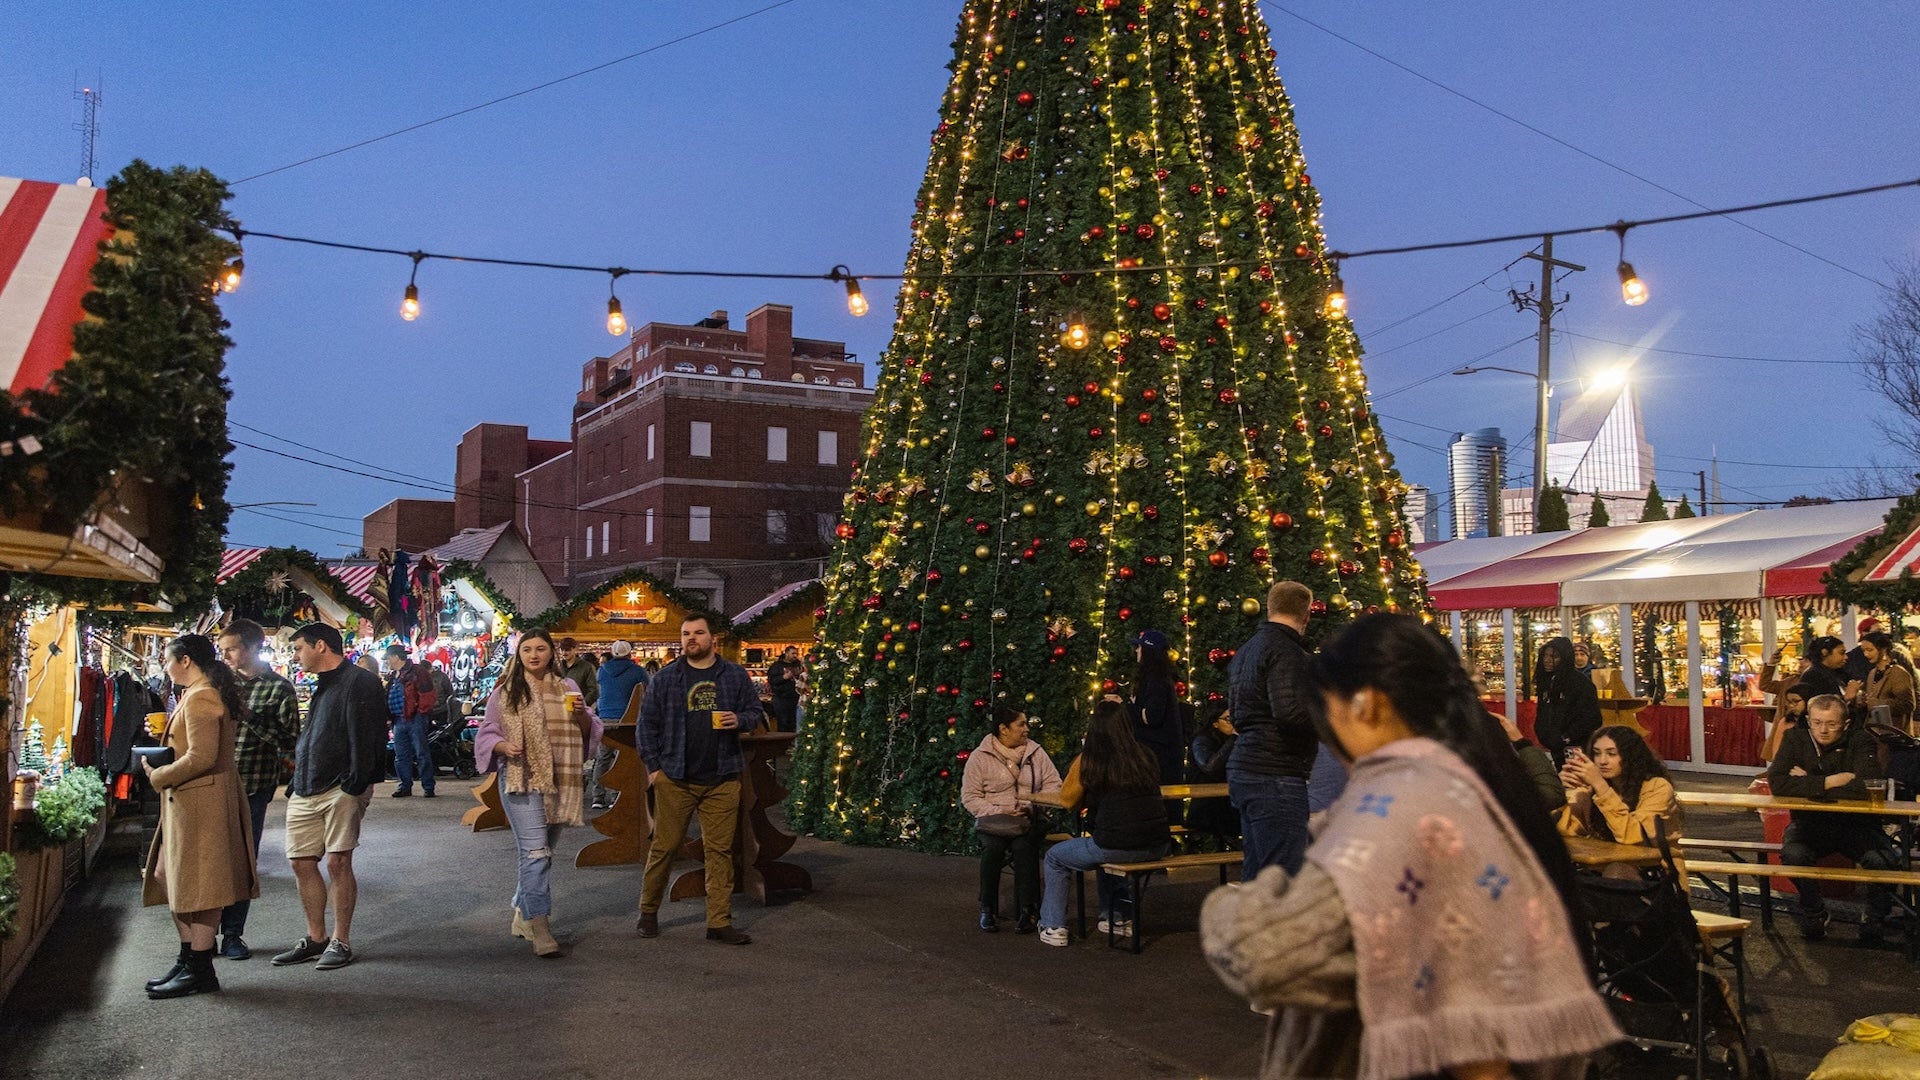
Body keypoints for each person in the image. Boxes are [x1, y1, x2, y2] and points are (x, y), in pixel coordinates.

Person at [1201, 615, 1620, 1079]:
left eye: (1327, 718)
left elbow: (1268, 955)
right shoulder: (1475, 780)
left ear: (1367, 706)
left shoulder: (1394, 802)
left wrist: (1244, 899)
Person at [139, 635, 261, 999]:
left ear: (186, 660)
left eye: (167, 659)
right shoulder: (198, 693)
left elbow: (202, 757)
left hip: (201, 800)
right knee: (168, 875)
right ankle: (191, 960)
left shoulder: (202, 695)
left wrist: (158, 775)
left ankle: (197, 966)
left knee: (203, 886)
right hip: (192, 800)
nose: (165, 666)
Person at [473, 628, 602, 957]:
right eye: (527, 649)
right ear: (519, 654)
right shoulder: (505, 692)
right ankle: (540, 926)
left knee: (543, 852)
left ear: (551, 654)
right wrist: (503, 745)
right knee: (535, 854)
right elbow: (487, 733)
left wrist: (579, 717)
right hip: (520, 777)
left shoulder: (569, 687)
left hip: (562, 778)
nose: (533, 654)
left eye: (540, 648)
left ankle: (522, 909)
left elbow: (589, 728)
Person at [636, 614, 764, 945]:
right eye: (686, 634)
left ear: (712, 639)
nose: (691, 638)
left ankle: (718, 922)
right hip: (675, 777)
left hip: (722, 777)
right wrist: (653, 769)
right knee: (665, 848)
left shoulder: (734, 675)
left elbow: (754, 713)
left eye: (698, 633)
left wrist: (740, 719)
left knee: (720, 851)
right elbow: (646, 725)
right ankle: (648, 913)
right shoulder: (665, 679)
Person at [272, 622, 388, 972]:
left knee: (338, 862)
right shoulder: (324, 684)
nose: (295, 656)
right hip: (307, 785)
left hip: (340, 786)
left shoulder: (360, 680)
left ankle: (341, 939)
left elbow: (370, 735)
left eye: (298, 648)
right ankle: (316, 936)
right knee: (301, 862)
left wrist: (356, 781)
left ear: (320, 645)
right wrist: (297, 780)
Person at [1766, 694, 1906, 943]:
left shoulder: (1861, 740)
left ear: (1846, 723)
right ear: (1808, 720)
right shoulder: (1795, 739)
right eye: (1817, 722)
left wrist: (1807, 781)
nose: (1823, 730)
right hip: (1810, 824)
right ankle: (1814, 912)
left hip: (1856, 824)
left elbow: (1868, 788)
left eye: (1831, 724)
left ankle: (1874, 917)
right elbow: (1777, 783)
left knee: (1883, 860)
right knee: (1793, 854)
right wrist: (1832, 780)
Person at [1035, 700, 1171, 946]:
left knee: (1056, 857)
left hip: (1116, 843)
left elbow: (1067, 800)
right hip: (1158, 844)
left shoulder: (1091, 759)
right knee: (1105, 848)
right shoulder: (1145, 755)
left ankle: (1053, 925)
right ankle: (1116, 917)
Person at [214, 619, 302, 961]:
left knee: (242, 860)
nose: (227, 656)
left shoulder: (279, 688)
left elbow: (289, 740)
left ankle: (233, 934)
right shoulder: (219, 684)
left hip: (253, 783)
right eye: (223, 650)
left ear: (252, 647)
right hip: (214, 782)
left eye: (232, 649)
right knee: (213, 859)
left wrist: (250, 716)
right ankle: (206, 933)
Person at [1226, 581, 1319, 880]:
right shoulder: (1288, 652)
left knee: (1257, 875)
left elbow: (1238, 716)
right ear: (1306, 615)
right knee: (1282, 876)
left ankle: (1247, 927)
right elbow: (1291, 714)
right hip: (1276, 772)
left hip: (1247, 767)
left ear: (1269, 608)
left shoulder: (1246, 651)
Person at [959, 706, 1062, 934]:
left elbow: (1054, 784)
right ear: (1003, 729)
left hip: (1027, 819)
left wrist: (1030, 805)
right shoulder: (979, 757)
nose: (1027, 729)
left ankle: (1028, 909)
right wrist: (999, 810)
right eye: (1021, 724)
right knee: (993, 850)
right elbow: (970, 797)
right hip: (993, 820)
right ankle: (988, 908)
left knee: (1024, 846)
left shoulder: (1036, 753)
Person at [1556, 725, 1679, 846]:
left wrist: (1601, 786)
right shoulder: (1590, 789)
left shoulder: (1657, 787)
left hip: (1650, 861)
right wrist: (1561, 791)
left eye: (1612, 754)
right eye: (1597, 753)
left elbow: (1633, 835)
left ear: (1631, 756)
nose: (1602, 761)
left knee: (1617, 867)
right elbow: (1565, 830)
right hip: (1603, 860)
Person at [1127, 629, 1187, 815]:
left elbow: (1151, 717)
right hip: (1158, 755)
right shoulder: (1156, 678)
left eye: (1139, 647)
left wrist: (1128, 706)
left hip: (1159, 758)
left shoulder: (1156, 680)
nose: (1136, 651)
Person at [587, 640, 649, 809]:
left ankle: (597, 798)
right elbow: (649, 691)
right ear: (630, 654)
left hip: (604, 718)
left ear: (613, 653)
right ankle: (616, 797)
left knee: (602, 758)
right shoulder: (638, 671)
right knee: (620, 759)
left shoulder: (602, 671)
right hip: (627, 719)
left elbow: (600, 693)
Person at [1531, 636, 1601, 766]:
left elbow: (1593, 718)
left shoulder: (1580, 683)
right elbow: (1543, 712)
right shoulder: (1547, 682)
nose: (1547, 660)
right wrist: (1543, 734)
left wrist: (1566, 738)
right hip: (1555, 745)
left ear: (1565, 658)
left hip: (1575, 746)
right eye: (1545, 656)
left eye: (1554, 657)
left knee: (1575, 778)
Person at [383, 644, 438, 798]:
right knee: (401, 755)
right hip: (399, 719)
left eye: (388, 658)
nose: (387, 661)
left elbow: (428, 693)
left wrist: (421, 712)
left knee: (421, 753)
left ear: (395, 657)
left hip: (414, 718)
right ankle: (405, 785)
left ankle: (427, 786)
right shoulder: (394, 675)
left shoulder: (417, 671)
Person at [1188, 711, 1241, 840]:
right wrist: (1234, 739)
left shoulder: (1238, 740)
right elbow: (1210, 767)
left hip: (1230, 804)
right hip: (1208, 809)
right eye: (1228, 718)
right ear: (1215, 723)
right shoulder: (1202, 741)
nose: (1232, 722)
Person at [1861, 630, 1915, 733]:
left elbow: (1908, 704)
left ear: (1883, 650)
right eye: (1863, 651)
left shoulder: (1898, 673)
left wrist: (1878, 704)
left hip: (1895, 733)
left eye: (1870, 650)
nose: (1866, 654)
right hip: (1876, 733)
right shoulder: (1873, 673)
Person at [1759, 681, 1813, 764]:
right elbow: (1777, 752)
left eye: (1796, 701)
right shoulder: (1786, 722)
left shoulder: (1816, 721)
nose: (1791, 706)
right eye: (1789, 702)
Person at [1796, 634, 1851, 700]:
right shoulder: (1813, 675)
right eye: (1841, 653)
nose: (1846, 657)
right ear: (1824, 652)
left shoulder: (1837, 673)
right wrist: (1847, 697)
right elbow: (1822, 705)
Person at [765, 645, 805, 734]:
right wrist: (784, 677)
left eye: (796, 653)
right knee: (783, 722)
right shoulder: (777, 666)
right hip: (781, 698)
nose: (795, 655)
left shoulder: (798, 665)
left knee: (795, 722)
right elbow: (771, 680)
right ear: (786, 653)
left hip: (795, 697)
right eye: (793, 653)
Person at [556, 637, 599, 714]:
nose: (564, 653)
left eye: (567, 650)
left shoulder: (587, 667)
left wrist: (582, 705)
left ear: (575, 649)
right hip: (562, 711)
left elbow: (594, 691)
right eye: (562, 650)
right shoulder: (558, 668)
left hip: (582, 711)